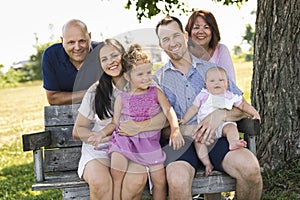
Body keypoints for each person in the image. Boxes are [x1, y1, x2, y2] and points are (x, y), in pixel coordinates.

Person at [154, 16, 262, 200]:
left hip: (218, 137)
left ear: (186, 36)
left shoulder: (213, 70)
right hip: (181, 143)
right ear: (160, 46)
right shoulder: (158, 81)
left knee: (250, 169)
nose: (172, 43)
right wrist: (183, 129)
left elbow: (242, 107)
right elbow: (158, 128)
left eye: (175, 35)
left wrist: (221, 115)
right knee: (177, 180)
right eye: (165, 39)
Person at [92, 48, 184, 200]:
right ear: (127, 76)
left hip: (150, 145)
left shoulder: (155, 92)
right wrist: (101, 134)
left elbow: (169, 110)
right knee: (117, 172)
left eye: (148, 72)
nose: (146, 78)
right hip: (124, 142)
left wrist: (175, 129)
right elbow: (115, 122)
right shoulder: (122, 98)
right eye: (140, 74)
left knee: (160, 180)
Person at [72, 39, 160, 200]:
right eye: (104, 59)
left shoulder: (144, 82)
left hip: (135, 146)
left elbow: (165, 116)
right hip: (101, 148)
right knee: (100, 182)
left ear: (123, 55)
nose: (110, 62)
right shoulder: (96, 91)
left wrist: (140, 127)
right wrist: (97, 137)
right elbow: (78, 130)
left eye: (114, 55)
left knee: (136, 179)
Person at [180, 66, 261, 176]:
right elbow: (194, 108)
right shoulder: (204, 95)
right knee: (198, 141)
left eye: (221, 80)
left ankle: (233, 143)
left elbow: (243, 105)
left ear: (227, 84)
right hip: (205, 129)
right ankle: (207, 163)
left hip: (223, 125)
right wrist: (184, 119)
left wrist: (254, 113)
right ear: (206, 85)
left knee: (231, 128)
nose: (216, 83)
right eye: (212, 81)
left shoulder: (229, 96)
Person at [42, 19, 99, 105]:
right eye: (71, 42)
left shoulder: (103, 51)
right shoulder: (51, 55)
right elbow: (53, 98)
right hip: (66, 115)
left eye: (82, 41)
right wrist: (91, 93)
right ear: (62, 40)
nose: (77, 47)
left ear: (90, 37)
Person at [185, 10, 236, 83]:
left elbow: (231, 83)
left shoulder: (221, 50)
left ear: (213, 31)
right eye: (196, 27)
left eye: (206, 27)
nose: (201, 31)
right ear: (189, 32)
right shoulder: (181, 53)